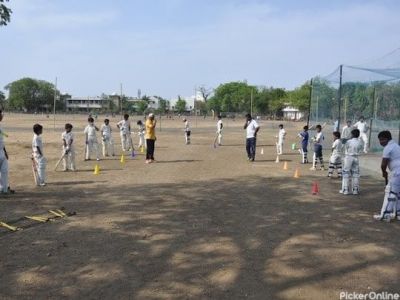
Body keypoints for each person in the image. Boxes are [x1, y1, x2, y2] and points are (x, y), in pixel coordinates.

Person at [373, 131, 400, 222]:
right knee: (398, 193)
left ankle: (385, 215)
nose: (380, 142)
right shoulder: (396, 146)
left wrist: (384, 172)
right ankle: (398, 213)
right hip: (397, 172)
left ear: (386, 139)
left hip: (396, 172)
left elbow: (383, 164)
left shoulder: (388, 148)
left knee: (390, 192)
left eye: (381, 140)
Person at [341, 129, 363, 195]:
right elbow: (360, 148)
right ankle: (355, 190)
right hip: (356, 158)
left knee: (346, 173)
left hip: (348, 157)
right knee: (355, 174)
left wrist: (348, 138)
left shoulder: (349, 141)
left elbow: (343, 143)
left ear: (352, 134)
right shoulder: (360, 142)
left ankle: (345, 190)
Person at [0, 110, 13, 194]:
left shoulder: (0, 126)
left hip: (1, 151)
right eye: (0, 114)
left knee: (4, 171)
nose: (2, 115)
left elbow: (1, 141)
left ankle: (5, 189)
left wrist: (5, 152)